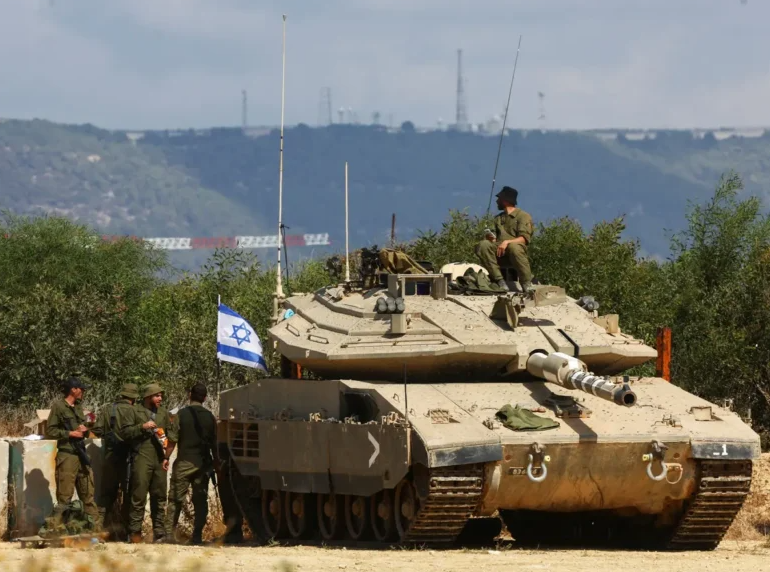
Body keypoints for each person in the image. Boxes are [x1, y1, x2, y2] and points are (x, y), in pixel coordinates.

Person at [164, 382, 219, 545]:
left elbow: (172, 440)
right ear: (205, 398)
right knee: (200, 501)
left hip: (184, 462)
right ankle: (197, 536)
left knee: (175, 499)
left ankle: (169, 535)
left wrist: (166, 457)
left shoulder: (181, 415)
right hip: (203, 464)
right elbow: (215, 445)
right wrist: (217, 464)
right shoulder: (210, 417)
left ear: (190, 395)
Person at [44, 376, 98, 527]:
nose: (83, 392)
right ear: (73, 390)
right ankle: (57, 530)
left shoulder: (79, 407)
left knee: (88, 495)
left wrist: (84, 430)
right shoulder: (59, 407)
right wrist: (70, 433)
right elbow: (50, 431)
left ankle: (94, 529)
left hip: (81, 453)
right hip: (67, 455)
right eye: (81, 389)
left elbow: (85, 430)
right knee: (65, 498)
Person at [122, 383, 171, 543]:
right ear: (148, 397)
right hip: (141, 456)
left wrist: (167, 456)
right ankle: (134, 532)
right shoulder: (134, 411)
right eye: (157, 396)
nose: (160, 398)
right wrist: (142, 427)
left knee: (160, 496)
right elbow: (125, 432)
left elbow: (169, 435)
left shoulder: (163, 413)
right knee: (138, 496)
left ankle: (159, 533)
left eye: (161, 395)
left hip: (159, 457)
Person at [91, 383, 140, 539]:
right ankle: (126, 533)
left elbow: (97, 429)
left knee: (105, 496)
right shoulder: (135, 411)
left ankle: (97, 531)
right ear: (134, 398)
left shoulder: (108, 410)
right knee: (129, 496)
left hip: (110, 457)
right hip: (128, 459)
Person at [475, 186, 534, 292]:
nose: (497, 201)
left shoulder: (523, 216)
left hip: (516, 251)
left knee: (513, 247)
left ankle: (526, 283)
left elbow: (524, 239)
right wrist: (491, 238)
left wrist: (507, 242)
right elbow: (495, 240)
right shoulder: (498, 218)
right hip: (500, 251)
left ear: (505, 201)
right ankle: (499, 281)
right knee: (483, 245)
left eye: (499, 199)